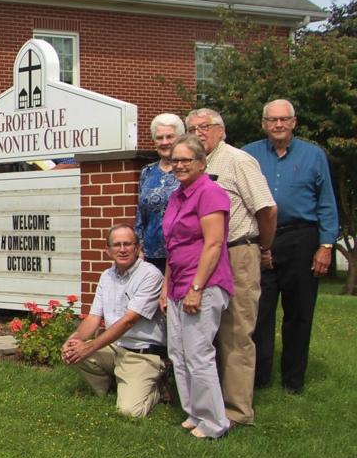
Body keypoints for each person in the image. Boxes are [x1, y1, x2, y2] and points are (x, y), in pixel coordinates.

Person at [244, 99, 340, 395]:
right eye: (272, 120)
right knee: (260, 311)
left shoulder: (314, 155)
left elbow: (326, 203)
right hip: (261, 238)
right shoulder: (249, 154)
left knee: (299, 312)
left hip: (301, 238)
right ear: (264, 123)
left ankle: (293, 381)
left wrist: (326, 245)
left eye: (284, 119)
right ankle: (259, 379)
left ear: (294, 122)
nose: (278, 125)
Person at [187, 107, 277, 425]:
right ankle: (208, 404)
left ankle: (238, 411)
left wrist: (262, 247)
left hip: (238, 251)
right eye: (192, 127)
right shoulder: (197, 168)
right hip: (206, 257)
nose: (199, 132)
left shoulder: (238, 161)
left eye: (206, 127)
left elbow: (266, 209)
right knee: (207, 333)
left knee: (237, 331)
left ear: (221, 130)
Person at [161, 134, 232, 440]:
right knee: (178, 351)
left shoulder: (210, 192)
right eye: (175, 160)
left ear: (202, 163)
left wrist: (197, 287)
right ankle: (195, 413)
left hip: (204, 284)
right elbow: (172, 245)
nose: (179, 165)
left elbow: (214, 244)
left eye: (185, 160)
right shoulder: (177, 195)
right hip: (177, 283)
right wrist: (166, 287)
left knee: (199, 352)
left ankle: (215, 423)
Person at [61, 225, 168, 418]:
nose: (123, 249)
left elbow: (128, 321)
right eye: (117, 245)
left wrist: (90, 346)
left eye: (128, 244)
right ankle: (109, 388)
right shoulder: (106, 276)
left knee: (129, 412)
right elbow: (94, 317)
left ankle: (157, 389)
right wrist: (73, 339)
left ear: (137, 248)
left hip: (141, 354)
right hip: (115, 348)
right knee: (73, 350)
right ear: (108, 250)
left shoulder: (150, 275)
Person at [135, 113, 184, 272]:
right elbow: (141, 215)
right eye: (159, 137)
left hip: (181, 253)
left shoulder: (188, 170)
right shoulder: (147, 172)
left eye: (170, 136)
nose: (164, 142)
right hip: (151, 255)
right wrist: (139, 247)